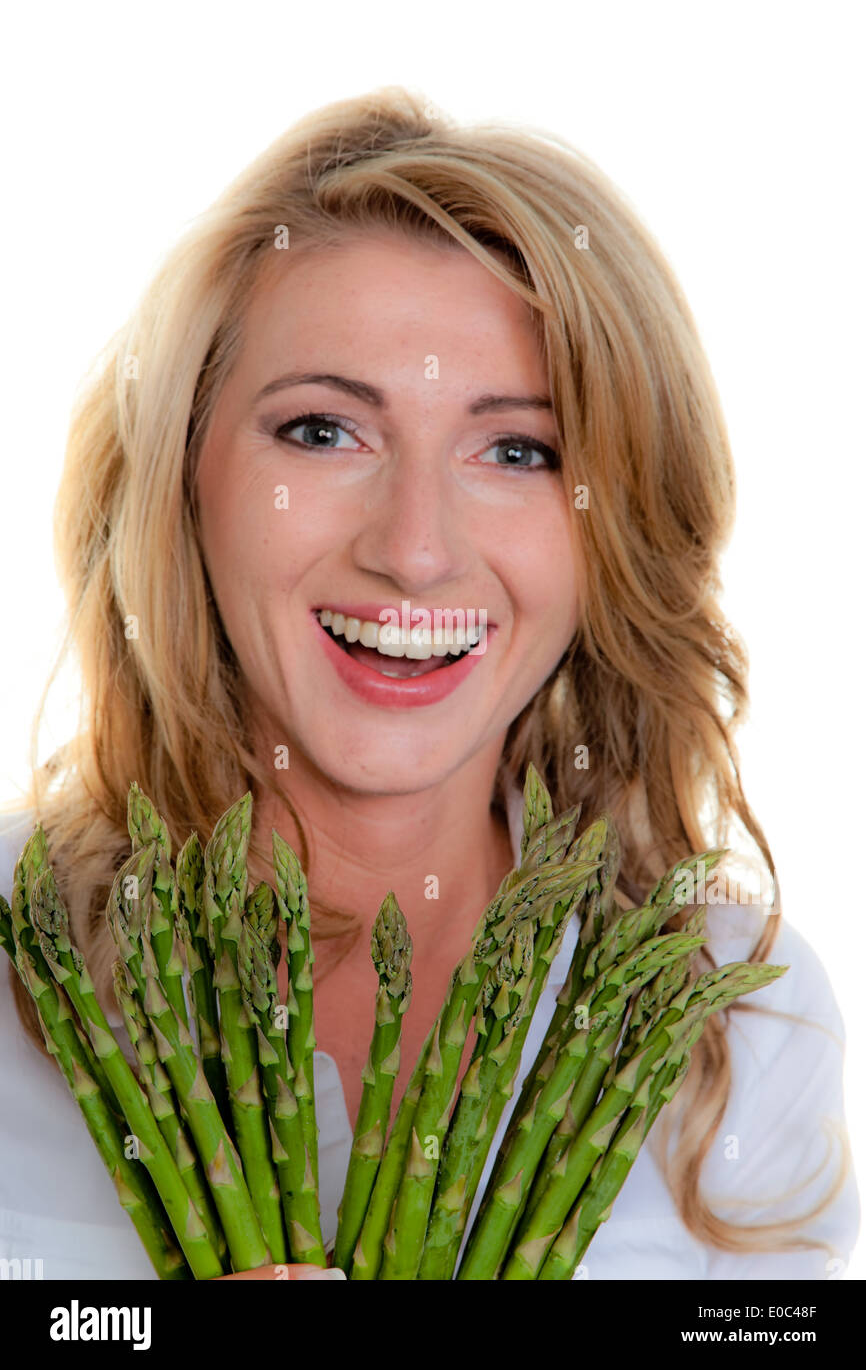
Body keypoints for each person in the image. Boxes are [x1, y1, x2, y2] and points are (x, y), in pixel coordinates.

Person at [0, 87, 858, 1281]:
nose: (413, 548)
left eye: (518, 451)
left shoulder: (737, 1021)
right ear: (180, 476)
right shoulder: (11, 937)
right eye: (321, 432)